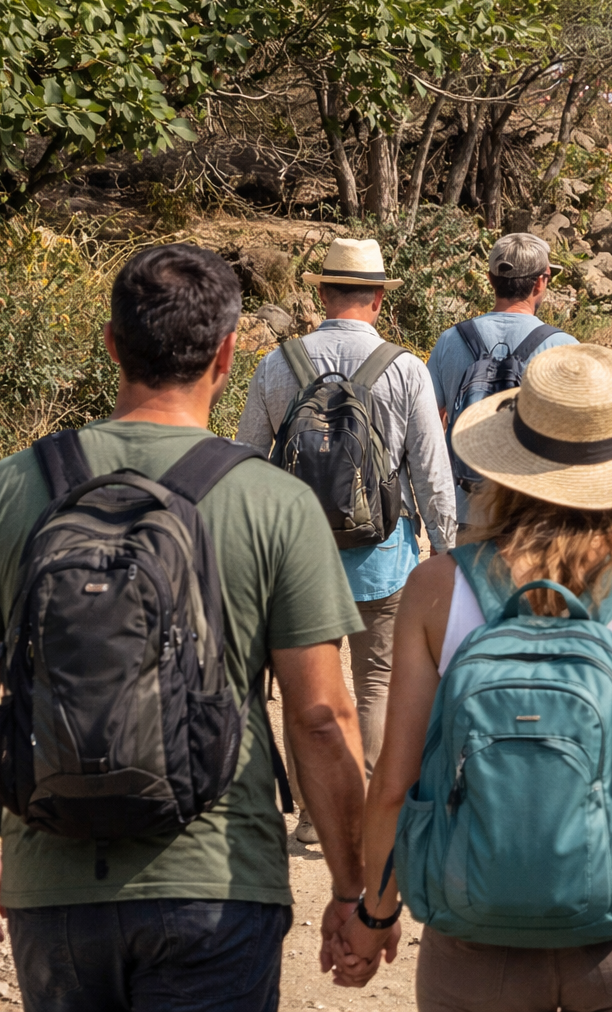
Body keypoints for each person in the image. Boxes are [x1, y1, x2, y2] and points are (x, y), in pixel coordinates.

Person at [0, 244, 373, 1011]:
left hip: (52, 880)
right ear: (229, 353)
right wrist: (352, 887)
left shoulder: (12, 487)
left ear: (110, 344)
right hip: (218, 882)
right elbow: (321, 716)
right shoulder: (273, 501)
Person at [331, 345, 612, 1012]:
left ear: (507, 463)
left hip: (473, 935)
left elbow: (395, 785)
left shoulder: (436, 588)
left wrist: (377, 916)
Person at [237, 237, 458, 843]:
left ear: (322, 295)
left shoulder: (278, 364)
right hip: (381, 555)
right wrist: (445, 547)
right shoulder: (405, 368)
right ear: (380, 299)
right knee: (377, 683)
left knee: (307, 686)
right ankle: (363, 809)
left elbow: (245, 459)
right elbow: (430, 470)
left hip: (294, 558)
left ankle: (312, 815)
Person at [426, 232, 577, 533]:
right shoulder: (563, 346)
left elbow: (429, 422)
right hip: (533, 515)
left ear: (490, 279)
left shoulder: (450, 340)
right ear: (540, 282)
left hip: (466, 509)